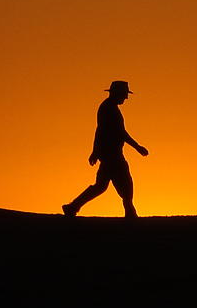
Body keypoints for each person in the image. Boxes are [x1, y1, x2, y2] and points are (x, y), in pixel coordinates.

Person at [63, 81, 149, 218]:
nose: (126, 98)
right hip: (112, 155)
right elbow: (119, 132)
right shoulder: (109, 109)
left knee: (101, 186)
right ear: (117, 94)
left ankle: (73, 207)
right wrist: (137, 146)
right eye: (124, 94)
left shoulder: (108, 108)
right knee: (125, 183)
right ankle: (130, 213)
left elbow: (100, 131)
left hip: (108, 154)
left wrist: (95, 151)